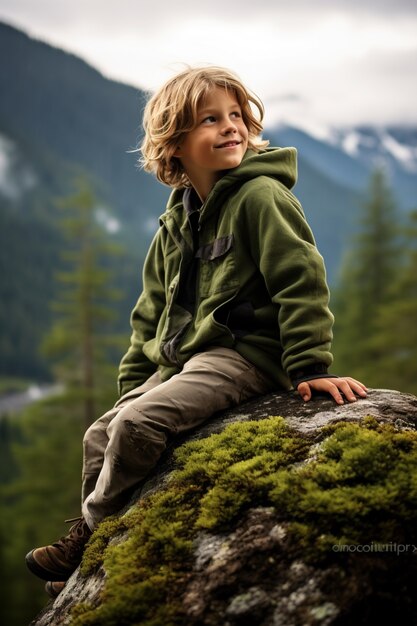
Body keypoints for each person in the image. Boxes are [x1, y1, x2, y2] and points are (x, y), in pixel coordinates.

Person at [25, 66, 367, 590]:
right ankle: (89, 553)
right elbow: (151, 314)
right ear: (175, 145)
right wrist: (132, 389)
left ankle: (90, 541)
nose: (231, 127)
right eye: (211, 119)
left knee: (138, 426)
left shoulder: (262, 198)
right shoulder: (176, 221)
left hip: (247, 355)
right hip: (187, 359)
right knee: (105, 430)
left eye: (237, 116)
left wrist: (310, 366)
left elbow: (300, 280)